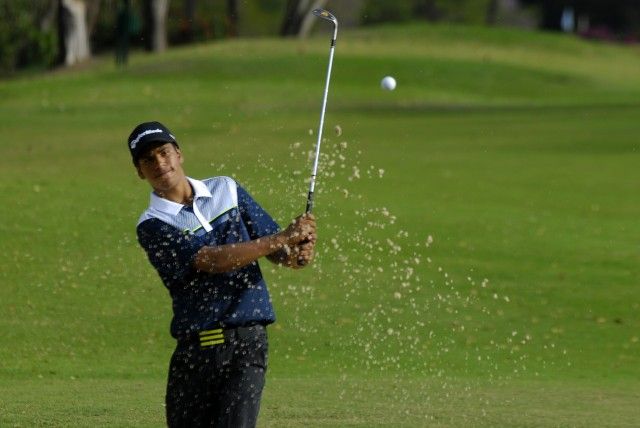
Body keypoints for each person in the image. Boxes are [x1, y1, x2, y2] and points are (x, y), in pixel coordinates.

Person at [128, 121, 317, 427]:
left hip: (247, 345)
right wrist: (283, 238)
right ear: (139, 171)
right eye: (148, 160)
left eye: (164, 152)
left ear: (179, 154)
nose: (159, 163)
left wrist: (297, 252)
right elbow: (209, 260)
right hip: (194, 353)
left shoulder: (226, 189)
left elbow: (278, 252)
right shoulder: (151, 225)